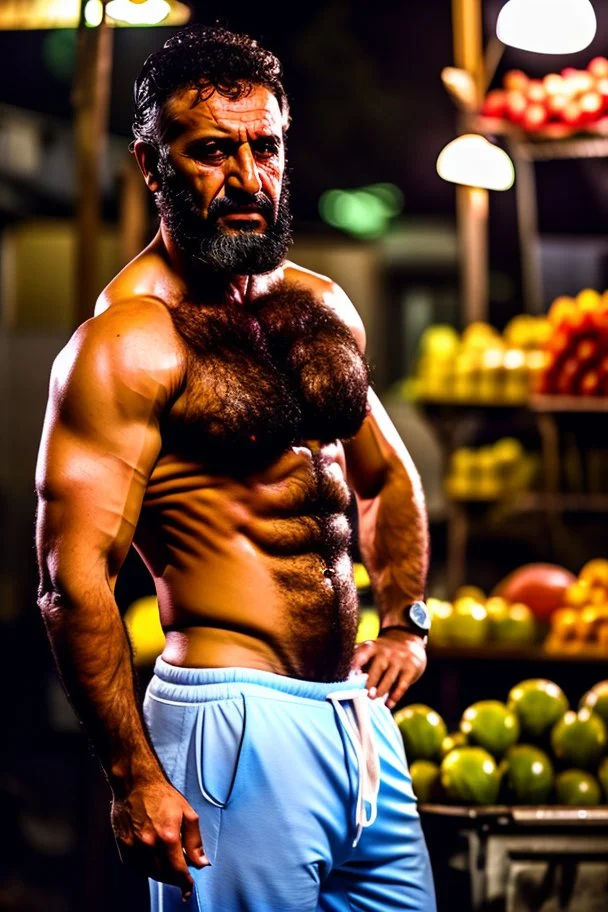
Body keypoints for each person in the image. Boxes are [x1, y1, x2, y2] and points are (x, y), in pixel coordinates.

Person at [35, 24, 437, 912]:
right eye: (213, 152)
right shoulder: (129, 341)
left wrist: (406, 620)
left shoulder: (318, 306)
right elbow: (74, 580)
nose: (247, 178)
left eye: (266, 148)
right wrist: (132, 775)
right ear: (153, 165)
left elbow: (383, 479)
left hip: (357, 725)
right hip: (232, 722)